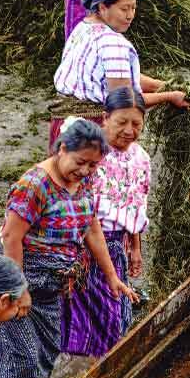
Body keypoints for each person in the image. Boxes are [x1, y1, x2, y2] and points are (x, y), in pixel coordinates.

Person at [0, 118, 139, 378]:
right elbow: (12, 238)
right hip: (16, 274)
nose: (85, 170)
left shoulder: (85, 181)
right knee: (22, 356)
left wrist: (112, 277)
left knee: (47, 349)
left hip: (50, 283)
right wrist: (18, 289)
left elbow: (92, 228)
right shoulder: (34, 186)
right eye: (80, 162)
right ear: (62, 148)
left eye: (93, 165)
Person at [50, 0, 188, 146]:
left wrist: (163, 85)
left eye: (133, 8)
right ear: (102, 7)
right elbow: (124, 102)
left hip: (63, 124)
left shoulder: (83, 27)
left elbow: (118, 75)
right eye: (124, 9)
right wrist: (169, 96)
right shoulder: (114, 43)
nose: (130, 16)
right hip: (90, 132)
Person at [65, 87, 151, 357]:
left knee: (113, 309)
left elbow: (136, 205)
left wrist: (135, 247)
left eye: (136, 124)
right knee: (87, 308)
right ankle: (86, 365)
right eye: (121, 122)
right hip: (86, 245)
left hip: (117, 245)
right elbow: (78, 209)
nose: (129, 130)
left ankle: (100, 362)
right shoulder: (91, 157)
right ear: (105, 118)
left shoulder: (140, 158)